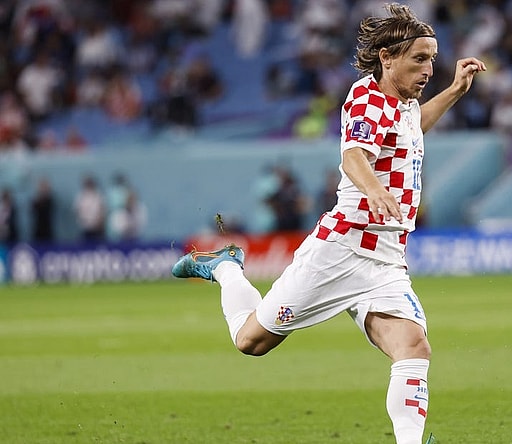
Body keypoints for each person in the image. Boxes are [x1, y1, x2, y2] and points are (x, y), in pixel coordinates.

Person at [171, 4, 485, 443]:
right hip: (341, 250)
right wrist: (374, 189)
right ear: (387, 58)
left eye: (433, 58)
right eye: (420, 58)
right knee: (251, 342)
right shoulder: (367, 98)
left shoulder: (406, 103)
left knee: (413, 347)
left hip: (387, 260)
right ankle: (225, 267)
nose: (429, 68)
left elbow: (413, 130)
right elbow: (354, 155)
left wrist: (454, 90)